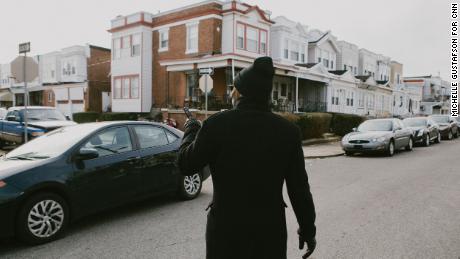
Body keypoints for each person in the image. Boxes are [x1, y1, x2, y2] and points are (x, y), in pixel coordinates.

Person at [178, 57, 317, 259]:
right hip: (269, 234)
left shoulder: (216, 125)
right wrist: (308, 230)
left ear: (241, 92)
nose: (231, 92)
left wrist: (191, 130)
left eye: (234, 88)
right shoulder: (288, 132)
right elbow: (299, 189)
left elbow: (186, 164)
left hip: (226, 234)